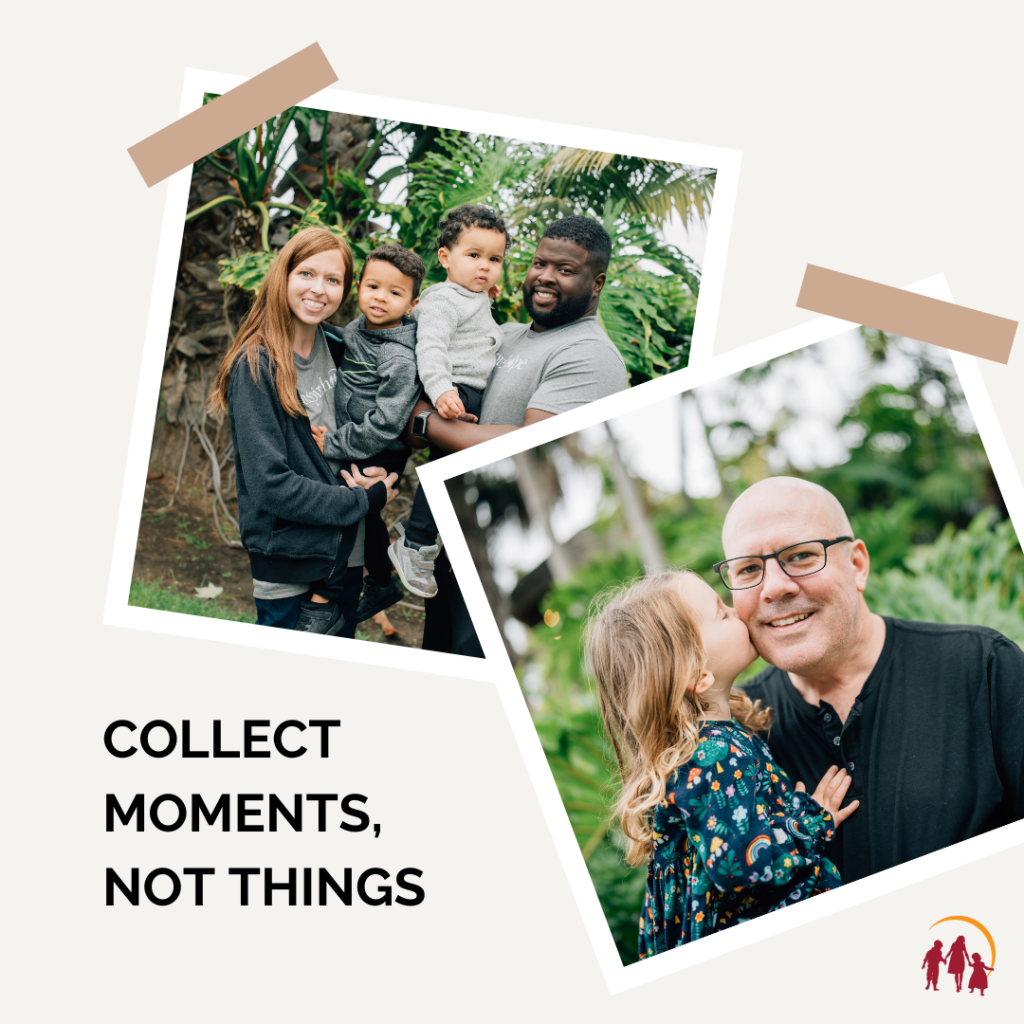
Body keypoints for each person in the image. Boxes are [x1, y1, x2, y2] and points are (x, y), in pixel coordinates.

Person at [715, 476, 1024, 883]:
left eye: (802, 556)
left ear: (857, 565)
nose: (774, 588)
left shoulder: (981, 670)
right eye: (749, 568)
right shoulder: (733, 738)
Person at [584, 570, 856, 959]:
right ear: (698, 673)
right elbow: (741, 866)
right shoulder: (716, 756)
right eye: (722, 613)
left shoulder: (703, 747)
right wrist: (811, 819)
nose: (738, 612)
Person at [410, 215, 629, 656]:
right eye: (538, 263)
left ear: (597, 282)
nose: (545, 277)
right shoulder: (501, 335)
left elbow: (525, 444)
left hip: (500, 556)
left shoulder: (590, 356)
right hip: (454, 543)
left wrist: (422, 420)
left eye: (565, 271)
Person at [208, 228, 399, 637]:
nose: (319, 289)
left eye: (333, 280)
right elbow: (270, 485)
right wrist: (363, 500)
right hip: (291, 560)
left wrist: (373, 473)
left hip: (345, 553)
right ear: (284, 276)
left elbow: (362, 428)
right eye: (307, 274)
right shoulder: (257, 365)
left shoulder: (338, 348)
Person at [302, 244, 427, 630]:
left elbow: (388, 422)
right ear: (359, 287)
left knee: (357, 505)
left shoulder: (399, 357)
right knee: (364, 509)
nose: (380, 298)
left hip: (381, 445)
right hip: (359, 436)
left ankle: (363, 584)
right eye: (373, 286)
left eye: (395, 292)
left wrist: (335, 443)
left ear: (412, 303)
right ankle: (375, 580)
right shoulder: (359, 328)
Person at [389, 205, 508, 599]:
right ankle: (414, 544)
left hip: (462, 392)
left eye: (495, 259)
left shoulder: (472, 296)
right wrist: (441, 390)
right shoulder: (444, 301)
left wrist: (488, 295)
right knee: (447, 469)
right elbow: (433, 346)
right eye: (474, 256)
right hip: (451, 391)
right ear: (445, 257)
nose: (485, 266)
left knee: (450, 471)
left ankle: (415, 534)